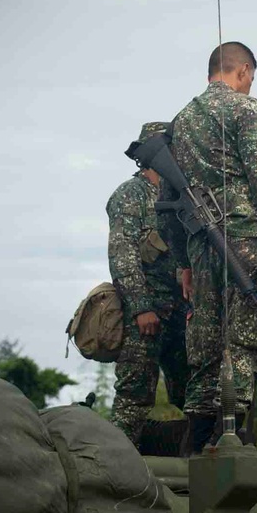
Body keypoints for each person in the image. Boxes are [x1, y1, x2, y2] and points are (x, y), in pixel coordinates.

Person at [165, 42, 257, 453]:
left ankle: (197, 446)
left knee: (206, 347)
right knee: (242, 342)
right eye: (251, 79)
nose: (249, 87)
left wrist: (182, 260)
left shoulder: (181, 122)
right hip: (244, 245)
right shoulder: (246, 109)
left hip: (202, 248)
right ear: (242, 71)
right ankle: (223, 447)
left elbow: (166, 205)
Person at [106, 121, 189, 449]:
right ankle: (114, 470)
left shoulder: (180, 196)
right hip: (146, 317)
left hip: (181, 315)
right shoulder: (130, 194)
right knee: (133, 399)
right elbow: (122, 257)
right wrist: (141, 308)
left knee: (196, 397)